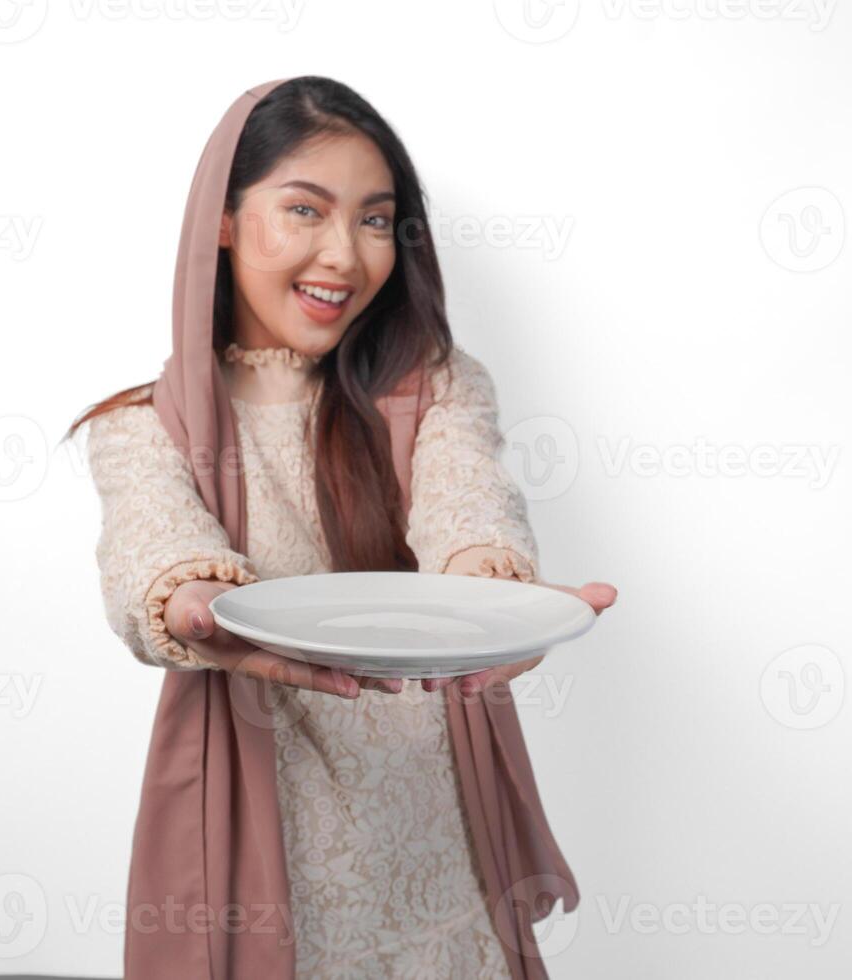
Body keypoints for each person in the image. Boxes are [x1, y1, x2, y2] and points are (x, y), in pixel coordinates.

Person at [69, 75, 617, 979]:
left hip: (441, 824)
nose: (345, 256)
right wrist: (195, 603)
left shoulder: (431, 385)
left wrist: (495, 586)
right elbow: (152, 551)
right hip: (264, 826)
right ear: (224, 220)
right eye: (303, 210)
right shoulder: (141, 426)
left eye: (374, 220)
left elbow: (466, 496)